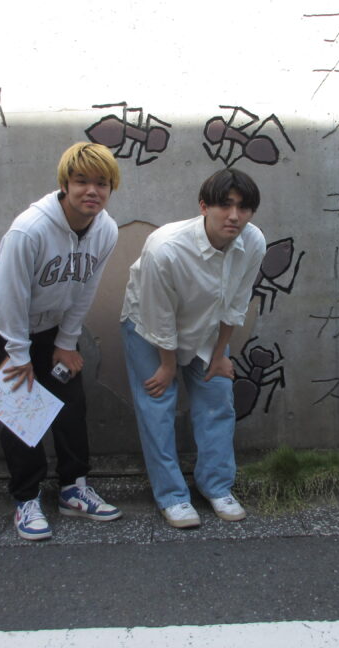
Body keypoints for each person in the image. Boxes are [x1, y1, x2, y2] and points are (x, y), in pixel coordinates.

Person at [0, 142, 122, 541]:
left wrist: (67, 341)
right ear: (64, 184)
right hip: (3, 325)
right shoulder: (30, 229)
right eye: (82, 181)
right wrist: (18, 355)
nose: (92, 191)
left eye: (102, 183)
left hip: (52, 328)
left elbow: (85, 288)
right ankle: (26, 498)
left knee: (71, 404)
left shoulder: (105, 229)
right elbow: (9, 297)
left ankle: (74, 488)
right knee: (22, 413)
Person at [121, 169, 266, 529]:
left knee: (218, 399)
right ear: (204, 206)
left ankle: (217, 486)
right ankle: (172, 496)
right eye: (224, 205)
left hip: (208, 329)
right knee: (157, 406)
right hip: (149, 327)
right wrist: (168, 366)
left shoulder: (253, 241)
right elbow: (159, 315)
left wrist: (219, 356)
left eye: (244, 208)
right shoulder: (165, 248)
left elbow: (236, 303)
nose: (234, 216)